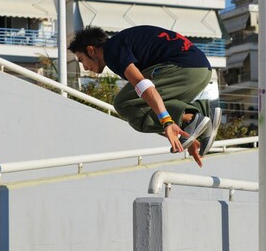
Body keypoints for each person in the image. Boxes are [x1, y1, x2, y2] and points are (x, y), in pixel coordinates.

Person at [68, 25, 221, 167]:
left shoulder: (112, 51)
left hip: (184, 69)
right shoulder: (123, 43)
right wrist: (189, 135)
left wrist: (168, 122)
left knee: (125, 103)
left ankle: (192, 117)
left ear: (91, 50)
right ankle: (202, 116)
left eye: (82, 60)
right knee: (150, 102)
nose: (85, 68)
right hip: (203, 71)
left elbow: (143, 85)